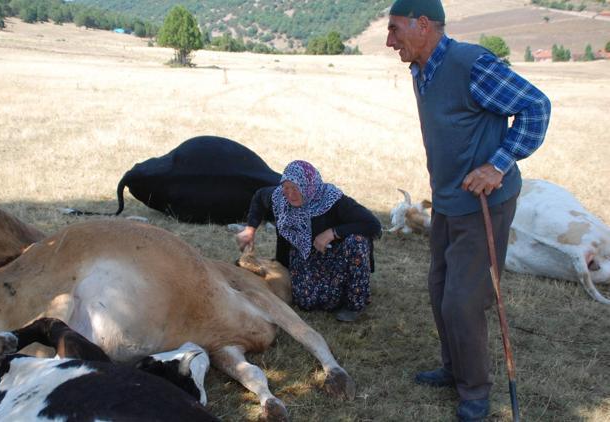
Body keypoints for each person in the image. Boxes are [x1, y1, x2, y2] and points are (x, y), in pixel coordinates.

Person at [385, 0, 551, 420]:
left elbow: (535, 107)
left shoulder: (470, 64)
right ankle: (454, 368)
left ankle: (475, 392)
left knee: (462, 299)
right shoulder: (422, 69)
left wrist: (497, 165)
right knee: (439, 288)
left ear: (423, 25)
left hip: (484, 204)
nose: (389, 41)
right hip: (447, 200)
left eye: (395, 29)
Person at [236, 160, 382, 322]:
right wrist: (250, 229)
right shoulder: (279, 197)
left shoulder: (333, 200)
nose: (290, 194)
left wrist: (333, 233)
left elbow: (373, 224)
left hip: (338, 255)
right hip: (304, 255)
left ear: (308, 186)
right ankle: (338, 290)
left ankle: (355, 302)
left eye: (296, 188)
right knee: (307, 301)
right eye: (286, 188)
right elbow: (258, 197)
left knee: (357, 241)